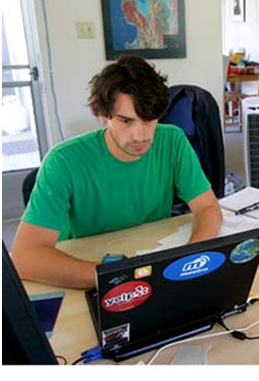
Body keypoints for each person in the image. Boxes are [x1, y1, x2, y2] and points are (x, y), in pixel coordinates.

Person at [11, 56, 223, 289]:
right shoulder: (62, 161)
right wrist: (118, 277)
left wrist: (190, 260)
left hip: (149, 263)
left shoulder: (173, 141)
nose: (140, 136)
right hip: (85, 270)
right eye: (126, 121)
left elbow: (208, 207)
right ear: (104, 115)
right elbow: (25, 258)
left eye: (149, 120)